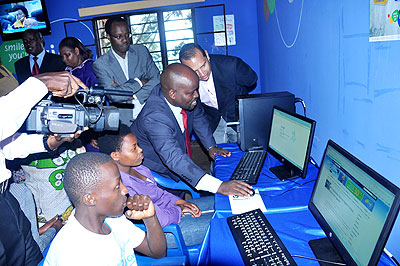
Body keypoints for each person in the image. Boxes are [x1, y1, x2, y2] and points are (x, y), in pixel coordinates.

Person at [0, 72, 86, 266]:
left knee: (31, 258)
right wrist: (41, 83)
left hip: (5, 198)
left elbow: (6, 146)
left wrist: (50, 142)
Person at [131, 63, 253, 197]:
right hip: (157, 171)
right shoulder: (154, 117)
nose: (196, 95)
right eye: (191, 92)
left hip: (177, 160)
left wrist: (210, 146)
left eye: (196, 89)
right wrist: (219, 186)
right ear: (172, 93)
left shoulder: (184, 94)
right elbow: (174, 158)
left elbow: (198, 116)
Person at [98, 125, 214, 247]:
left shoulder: (139, 168)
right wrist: (179, 209)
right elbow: (158, 218)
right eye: (134, 148)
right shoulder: (122, 188)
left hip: (169, 214)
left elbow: (159, 194)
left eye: (138, 145)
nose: (140, 150)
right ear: (115, 155)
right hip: (162, 232)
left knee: (224, 205)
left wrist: (179, 202)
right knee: (222, 223)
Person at [43, 152, 166, 265]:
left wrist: (150, 217)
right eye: (117, 186)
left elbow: (157, 252)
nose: (125, 190)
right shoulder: (74, 253)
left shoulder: (113, 220)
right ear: (90, 199)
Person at [179, 43, 258, 144]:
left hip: (237, 120)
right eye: (195, 71)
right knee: (219, 157)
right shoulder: (185, 80)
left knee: (244, 156)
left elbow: (251, 80)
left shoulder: (231, 65)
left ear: (207, 55)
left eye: (203, 66)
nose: (202, 74)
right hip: (212, 124)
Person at [93, 16, 160, 126]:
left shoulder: (141, 51)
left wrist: (134, 96)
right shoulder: (101, 64)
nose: (125, 40)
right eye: (119, 36)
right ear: (108, 37)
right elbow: (114, 96)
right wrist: (140, 82)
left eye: (127, 35)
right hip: (125, 124)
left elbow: (157, 79)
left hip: (151, 116)